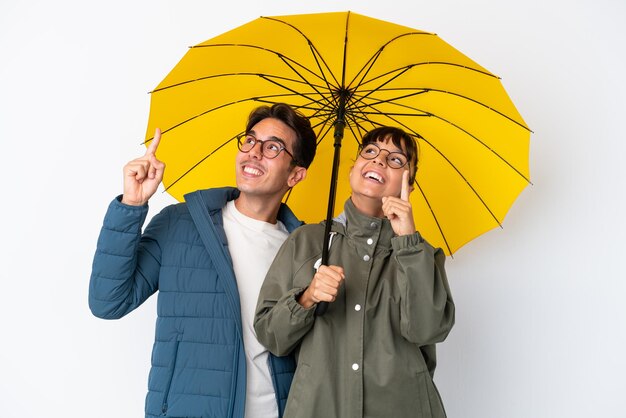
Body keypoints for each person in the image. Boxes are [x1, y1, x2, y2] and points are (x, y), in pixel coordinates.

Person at [89, 103, 317, 418]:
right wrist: (131, 205)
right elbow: (108, 302)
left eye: (273, 147)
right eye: (250, 140)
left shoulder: (307, 251)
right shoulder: (180, 223)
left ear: (295, 175)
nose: (254, 152)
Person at [254, 126, 455, 418]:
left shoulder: (422, 255)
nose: (379, 161)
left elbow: (428, 329)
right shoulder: (307, 241)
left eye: (396, 160)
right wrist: (306, 298)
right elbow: (271, 336)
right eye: (370, 152)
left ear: (408, 186)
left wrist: (407, 242)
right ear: (352, 170)